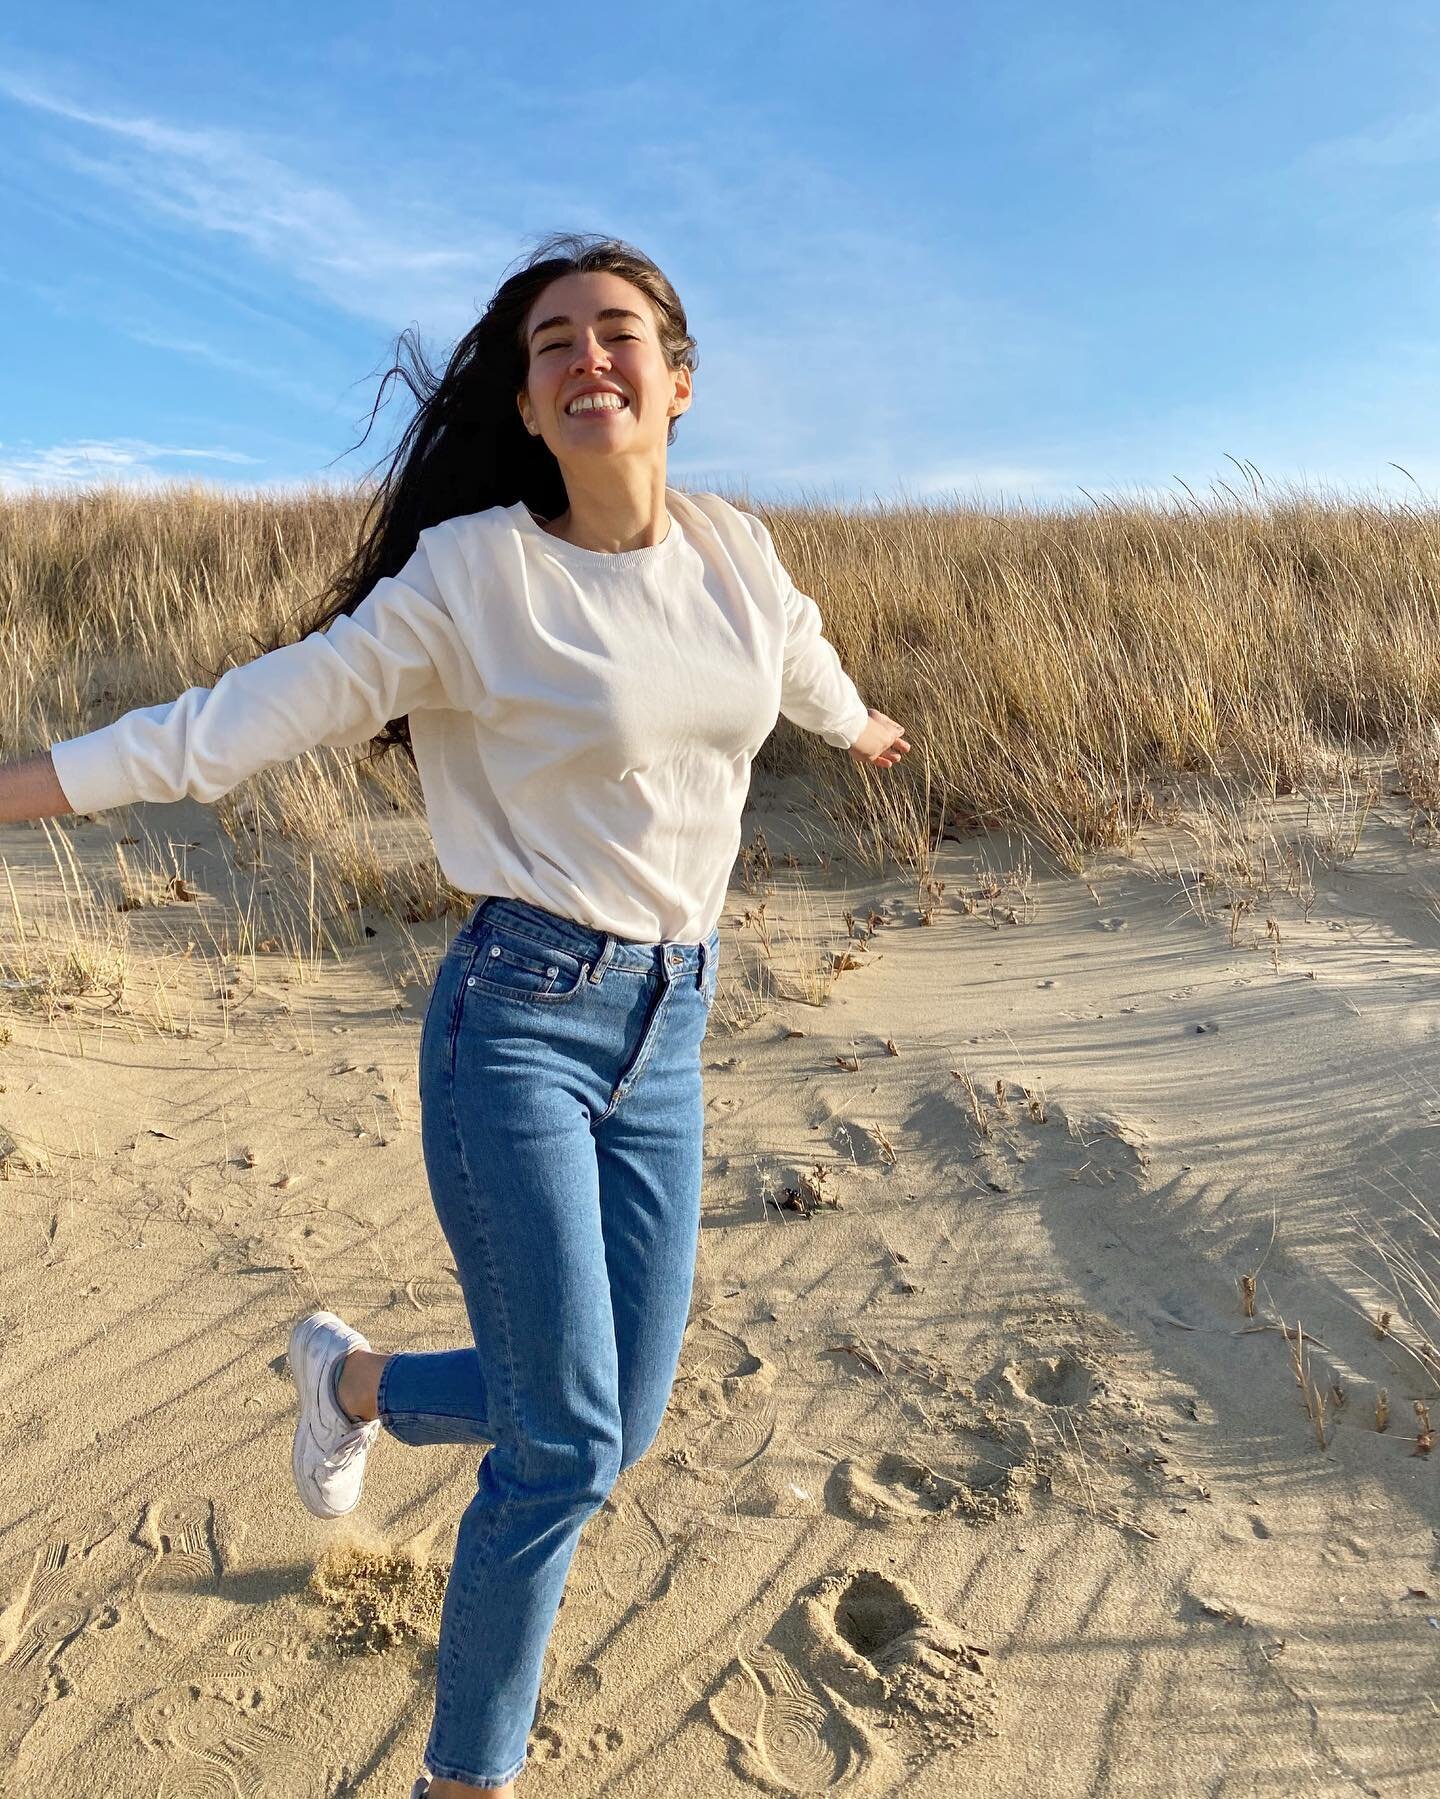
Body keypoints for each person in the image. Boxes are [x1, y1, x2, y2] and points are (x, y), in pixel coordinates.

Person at [0, 231, 910, 1796]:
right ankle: (465, 1780)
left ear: (678, 380)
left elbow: (801, 661)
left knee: (611, 1417)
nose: (587, 358)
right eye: (553, 343)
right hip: (521, 1025)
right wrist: (29, 789)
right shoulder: (478, 574)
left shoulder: (738, 552)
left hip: (674, 1028)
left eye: (617, 332)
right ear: (532, 400)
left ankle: (347, 1382)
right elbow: (243, 721)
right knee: (562, 1451)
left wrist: (864, 721)